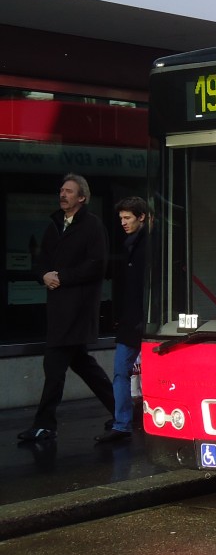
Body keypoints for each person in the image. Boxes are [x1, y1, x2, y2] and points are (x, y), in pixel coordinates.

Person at [18, 174, 113, 443]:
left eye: (69, 191)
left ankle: (45, 424)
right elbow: (41, 261)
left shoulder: (93, 226)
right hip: (59, 309)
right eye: (61, 190)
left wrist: (61, 277)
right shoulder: (55, 224)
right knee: (84, 365)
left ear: (81, 198)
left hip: (78, 309)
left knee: (55, 364)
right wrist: (44, 275)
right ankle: (123, 413)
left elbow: (97, 265)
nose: (63, 194)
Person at [95, 196, 149, 443]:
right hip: (132, 321)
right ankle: (122, 423)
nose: (123, 223)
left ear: (142, 217)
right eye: (121, 219)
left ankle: (130, 422)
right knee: (120, 372)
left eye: (127, 218)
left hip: (146, 321)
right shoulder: (130, 244)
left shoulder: (149, 245)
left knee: (130, 373)